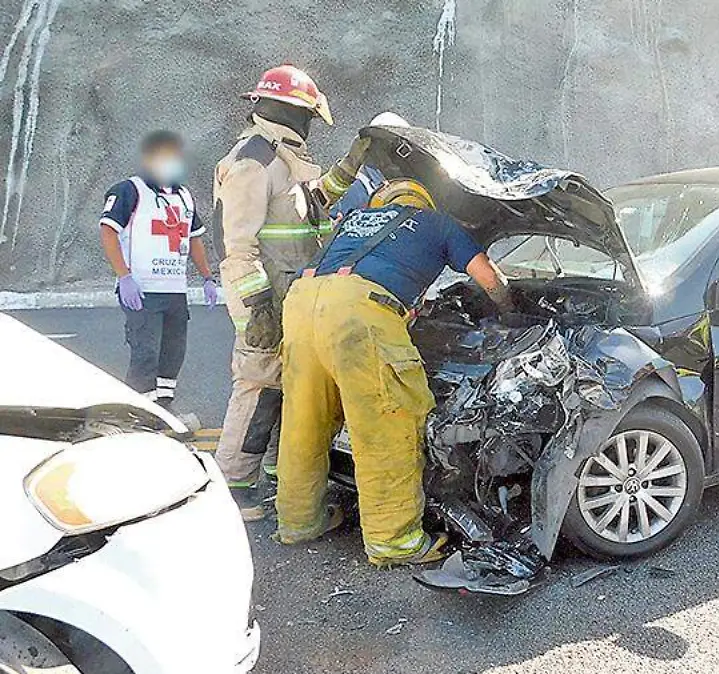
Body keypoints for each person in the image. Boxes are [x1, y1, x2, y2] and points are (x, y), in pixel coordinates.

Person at [274, 179, 514, 567]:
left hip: (302, 306)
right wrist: (508, 307)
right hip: (358, 313)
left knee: (304, 422)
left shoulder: (355, 219)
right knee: (387, 425)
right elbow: (488, 278)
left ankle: (298, 522)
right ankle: (394, 541)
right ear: (423, 201)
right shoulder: (436, 223)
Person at [213, 64, 371, 521]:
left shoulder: (282, 159)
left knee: (288, 387)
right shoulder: (253, 160)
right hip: (266, 300)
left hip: (291, 297)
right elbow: (237, 247)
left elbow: (315, 204)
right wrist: (260, 305)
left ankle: (283, 479)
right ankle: (233, 487)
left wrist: (352, 164)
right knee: (260, 386)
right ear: (293, 112)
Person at [99, 130, 218, 410]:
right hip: (142, 291)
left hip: (174, 292)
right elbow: (108, 232)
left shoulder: (184, 196)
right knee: (145, 357)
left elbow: (193, 237)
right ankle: (138, 415)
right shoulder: (129, 190)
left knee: (172, 356)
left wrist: (207, 277)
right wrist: (124, 277)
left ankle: (164, 410)